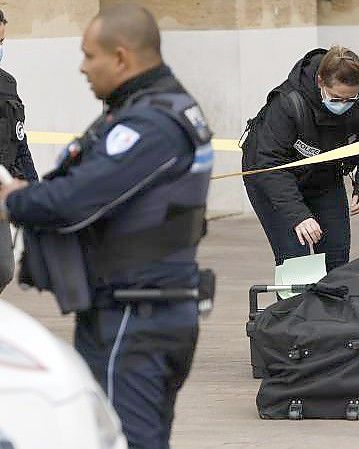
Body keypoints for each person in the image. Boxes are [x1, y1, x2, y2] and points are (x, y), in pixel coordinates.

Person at [0, 5, 213, 449]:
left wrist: (13, 200)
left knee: (122, 440)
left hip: (136, 316)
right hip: (131, 308)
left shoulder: (152, 124)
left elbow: (75, 201)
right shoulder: (141, 110)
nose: (81, 67)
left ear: (121, 58)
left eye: (89, 55)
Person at [242, 45, 359, 272]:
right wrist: (299, 215)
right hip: (272, 176)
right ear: (320, 82)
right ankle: (294, 308)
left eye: (351, 99)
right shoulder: (288, 103)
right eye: (337, 98)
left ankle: (331, 307)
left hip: (324, 175)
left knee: (336, 258)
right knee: (296, 261)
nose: (344, 105)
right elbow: (268, 163)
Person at [0, 8, 38, 291]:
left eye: (0, 43)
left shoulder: (7, 84)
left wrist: (34, 188)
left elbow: (19, 140)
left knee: (2, 269)